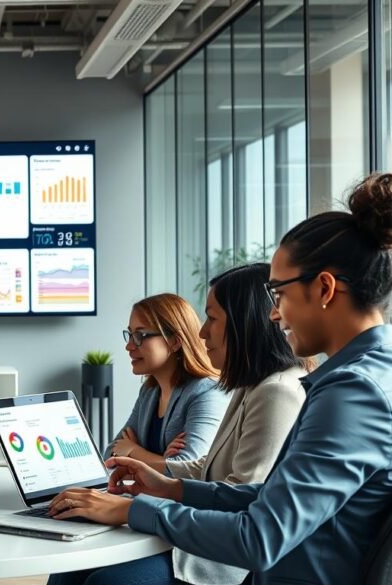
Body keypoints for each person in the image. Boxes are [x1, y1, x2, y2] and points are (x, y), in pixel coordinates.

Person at [47, 174, 392, 584]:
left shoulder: (352, 393)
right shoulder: (364, 376)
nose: (274, 314)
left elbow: (261, 537)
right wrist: (171, 488)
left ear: (324, 288)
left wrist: (129, 509)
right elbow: (272, 499)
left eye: (278, 293)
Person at [48, 264, 307, 585]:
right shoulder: (246, 386)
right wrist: (158, 480)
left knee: (111, 580)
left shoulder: (277, 393)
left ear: (244, 325)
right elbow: (208, 468)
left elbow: (241, 497)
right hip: (190, 530)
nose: (201, 333)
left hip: (220, 557)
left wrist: (141, 501)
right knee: (70, 569)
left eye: (212, 319)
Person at [107, 294, 227, 470]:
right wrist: (162, 461)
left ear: (175, 342)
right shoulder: (149, 392)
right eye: (130, 335)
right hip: (147, 495)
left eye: (140, 335)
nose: (129, 346)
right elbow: (111, 452)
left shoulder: (207, 392)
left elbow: (188, 470)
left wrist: (134, 450)